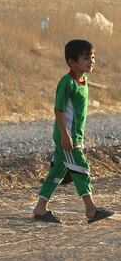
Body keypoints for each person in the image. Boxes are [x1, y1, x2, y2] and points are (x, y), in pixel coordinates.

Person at [32, 39, 114, 224]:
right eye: (86, 58)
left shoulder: (83, 79)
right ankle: (91, 209)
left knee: (58, 172)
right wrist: (65, 135)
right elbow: (58, 110)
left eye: (92, 57)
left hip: (74, 135)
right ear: (72, 62)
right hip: (67, 136)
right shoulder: (67, 82)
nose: (91, 61)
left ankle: (40, 208)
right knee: (81, 169)